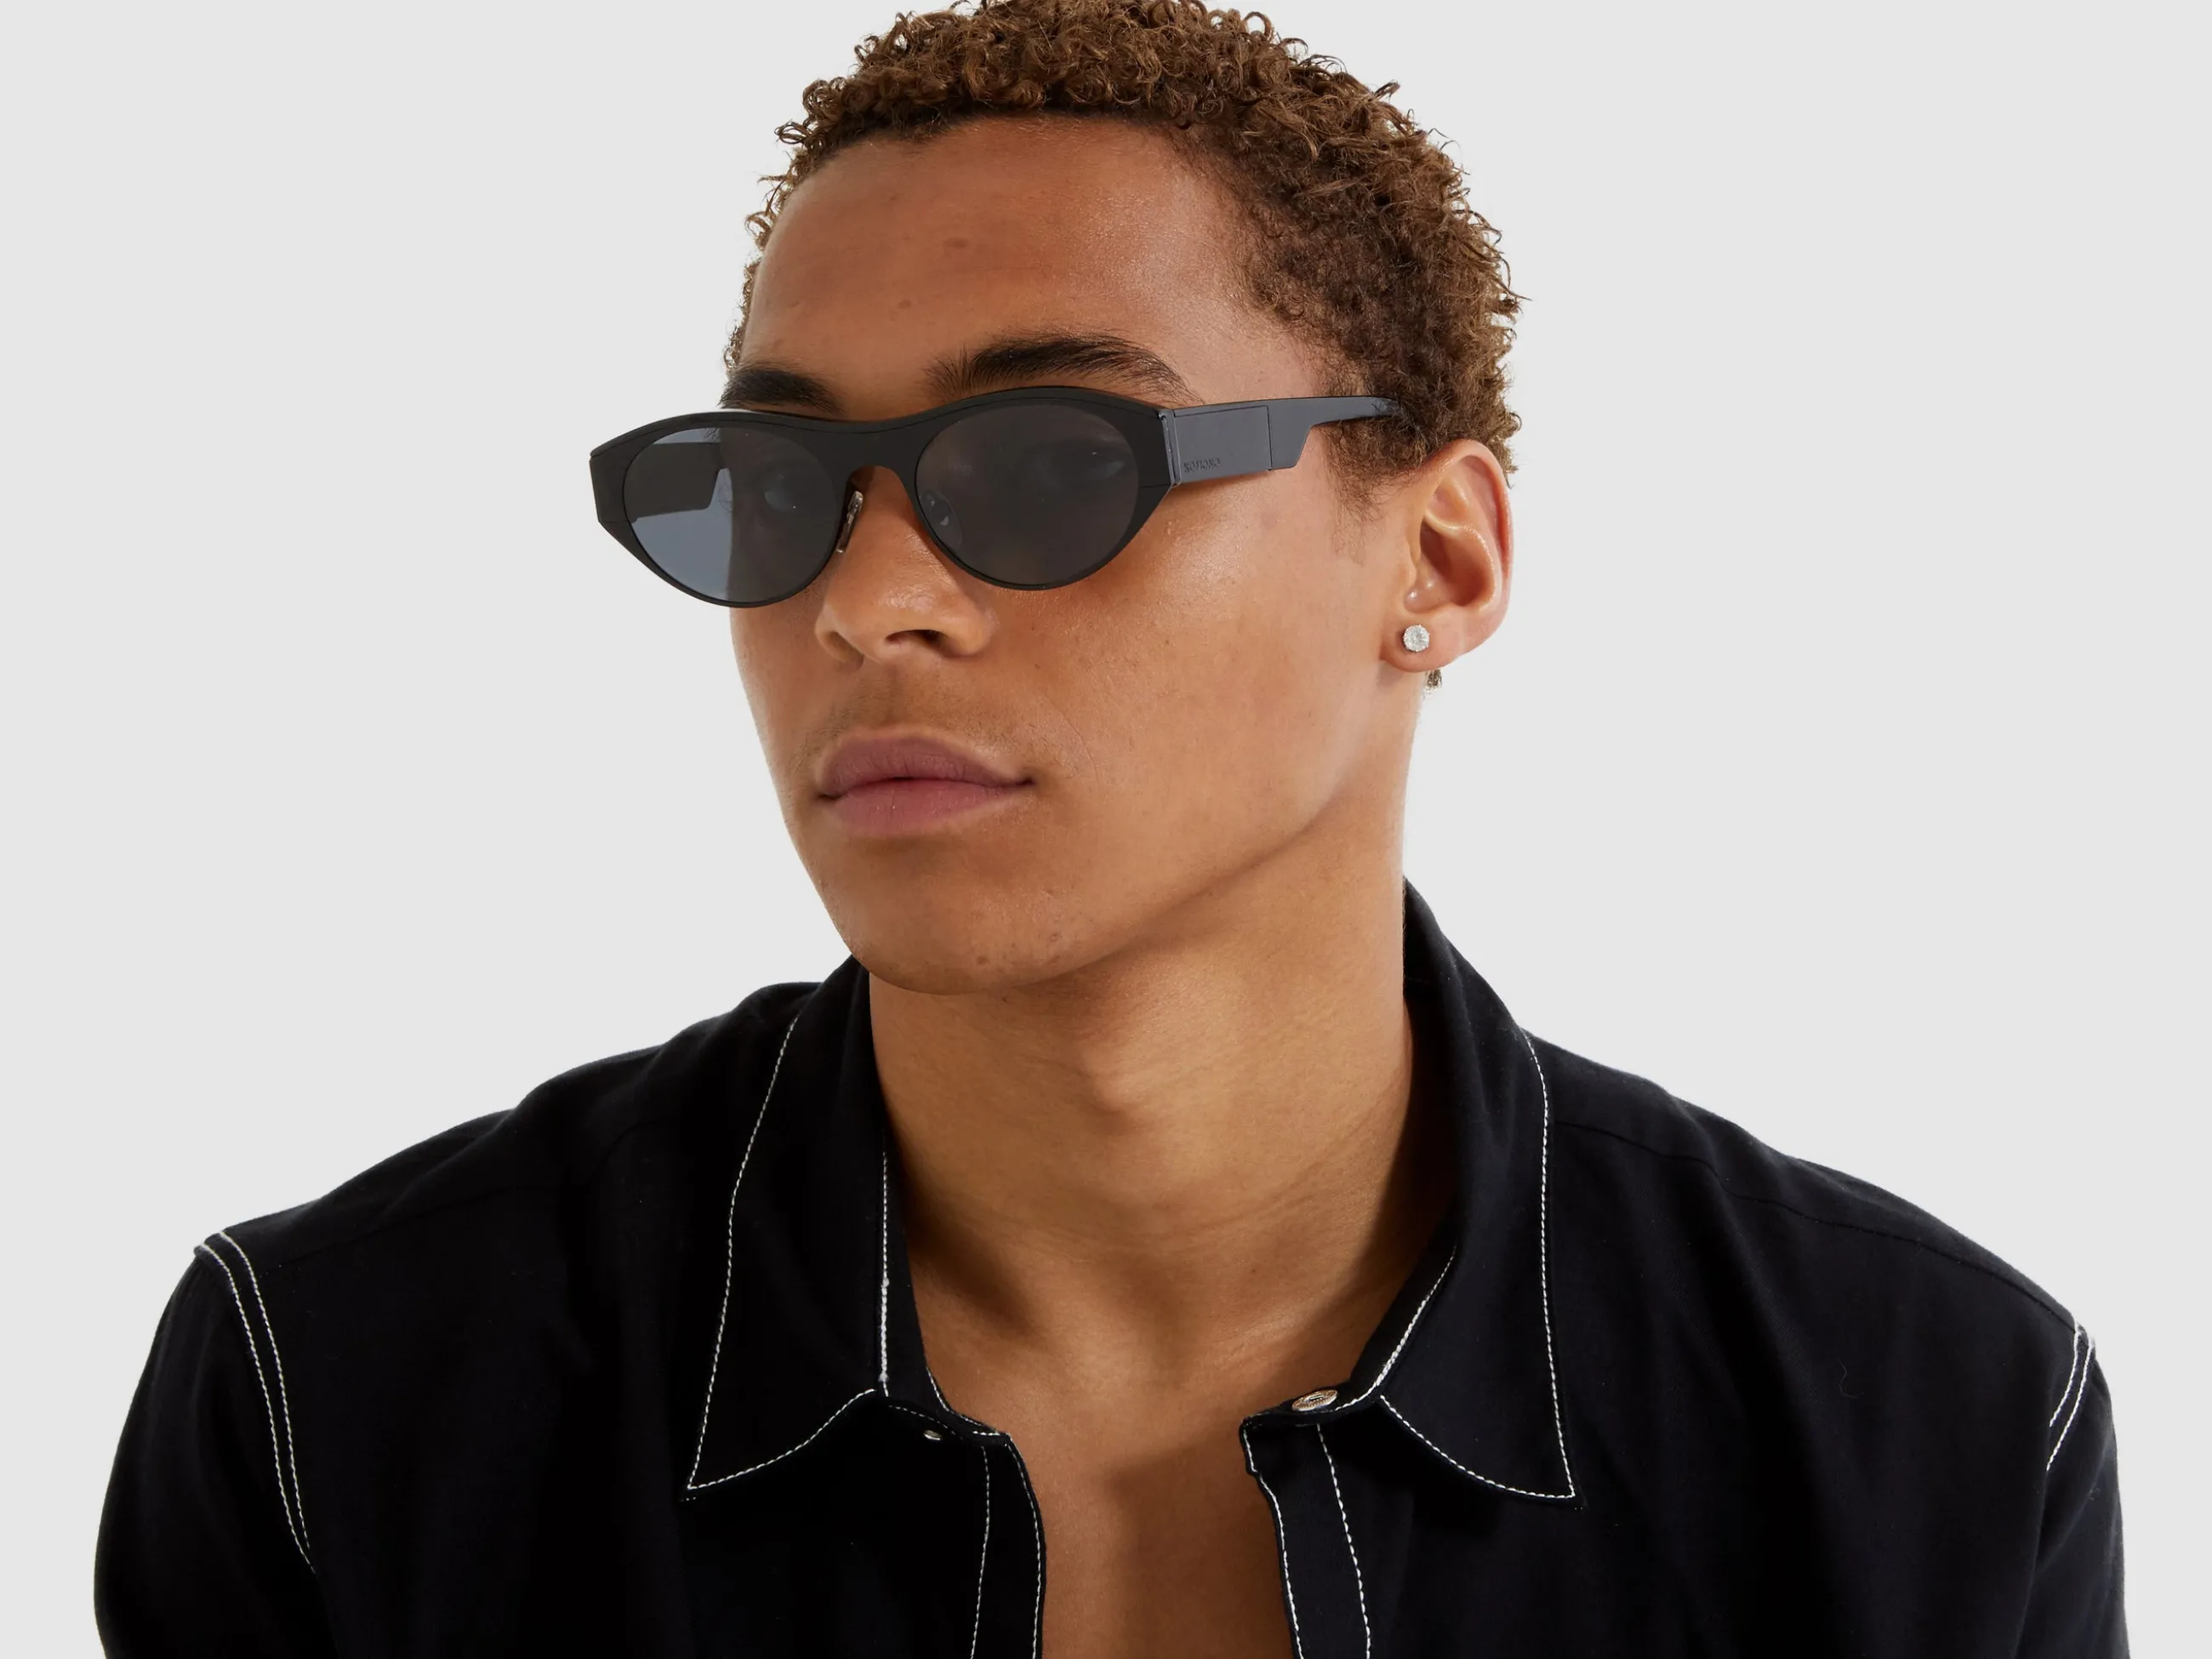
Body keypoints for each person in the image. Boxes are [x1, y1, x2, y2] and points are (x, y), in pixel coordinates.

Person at [94, 3, 2126, 1655]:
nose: (868, 602)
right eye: (781, 483)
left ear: (1437, 556)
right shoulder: (341, 1396)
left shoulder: (1925, 1421)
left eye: (1052, 462)